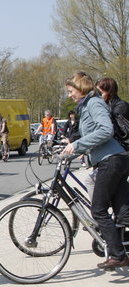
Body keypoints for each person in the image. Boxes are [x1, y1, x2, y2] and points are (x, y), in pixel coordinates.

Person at [63, 71, 129, 269]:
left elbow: (105, 130)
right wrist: (71, 151)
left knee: (98, 210)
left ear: (80, 88)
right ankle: (121, 246)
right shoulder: (88, 105)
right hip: (112, 160)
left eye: (70, 91)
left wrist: (78, 144)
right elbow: (92, 139)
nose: (69, 95)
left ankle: (118, 255)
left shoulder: (94, 103)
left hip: (112, 160)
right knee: (122, 211)